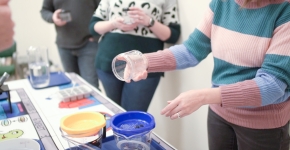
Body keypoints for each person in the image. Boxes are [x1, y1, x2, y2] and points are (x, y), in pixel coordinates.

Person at [118, 0, 290, 149]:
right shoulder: (221, 3)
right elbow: (191, 50)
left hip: (263, 126)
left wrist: (203, 97)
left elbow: (272, 85)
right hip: (219, 116)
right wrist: (145, 61)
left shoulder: (285, 10)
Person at [89, 0, 181, 111]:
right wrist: (113, 24)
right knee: (115, 113)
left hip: (145, 66)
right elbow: (93, 27)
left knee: (133, 119)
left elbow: (173, 35)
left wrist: (149, 21)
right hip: (108, 61)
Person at [40, 0, 101, 89]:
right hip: (64, 46)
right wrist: (53, 17)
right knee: (72, 85)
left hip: (88, 44)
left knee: (91, 86)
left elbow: (102, 10)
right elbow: (44, 11)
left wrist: (96, 37)